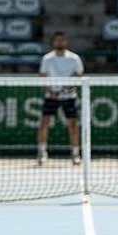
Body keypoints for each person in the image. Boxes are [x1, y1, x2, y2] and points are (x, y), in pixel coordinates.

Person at [36, 32, 84, 166]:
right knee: (44, 123)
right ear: (53, 42)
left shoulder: (74, 59)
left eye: (62, 40)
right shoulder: (47, 59)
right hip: (51, 96)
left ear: (66, 42)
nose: (60, 43)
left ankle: (75, 154)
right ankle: (42, 152)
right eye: (57, 41)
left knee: (73, 125)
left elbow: (78, 75)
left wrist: (69, 87)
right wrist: (50, 91)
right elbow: (42, 76)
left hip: (69, 97)